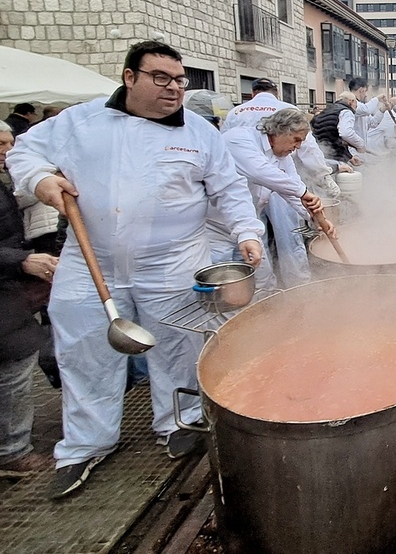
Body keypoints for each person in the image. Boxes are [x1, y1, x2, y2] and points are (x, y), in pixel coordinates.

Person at [6, 40, 264, 499]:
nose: (173, 89)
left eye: (180, 80)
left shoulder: (199, 132)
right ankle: (86, 444)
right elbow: (24, 152)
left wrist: (246, 231)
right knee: (84, 350)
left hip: (174, 259)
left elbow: (229, 187)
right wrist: (41, 179)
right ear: (130, 78)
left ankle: (175, 421)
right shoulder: (81, 121)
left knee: (178, 343)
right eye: (160, 78)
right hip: (92, 260)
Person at [0, 121, 57, 477]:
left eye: (8, 142)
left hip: (10, 284)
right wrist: (21, 260)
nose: (5, 150)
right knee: (16, 366)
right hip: (5, 287)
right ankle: (12, 451)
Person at [221, 109, 332, 290]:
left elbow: (292, 188)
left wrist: (316, 218)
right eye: (296, 140)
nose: (297, 147)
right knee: (228, 286)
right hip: (219, 228)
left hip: (248, 224)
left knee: (262, 278)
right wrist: (304, 192)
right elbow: (261, 171)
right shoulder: (239, 138)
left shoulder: (282, 154)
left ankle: (269, 312)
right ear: (280, 131)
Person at [312, 91, 360, 165]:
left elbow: (334, 136)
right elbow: (345, 134)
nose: (355, 109)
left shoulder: (327, 109)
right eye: (356, 105)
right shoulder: (346, 111)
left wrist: (349, 157)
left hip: (320, 151)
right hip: (334, 155)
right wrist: (360, 146)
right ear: (351, 101)